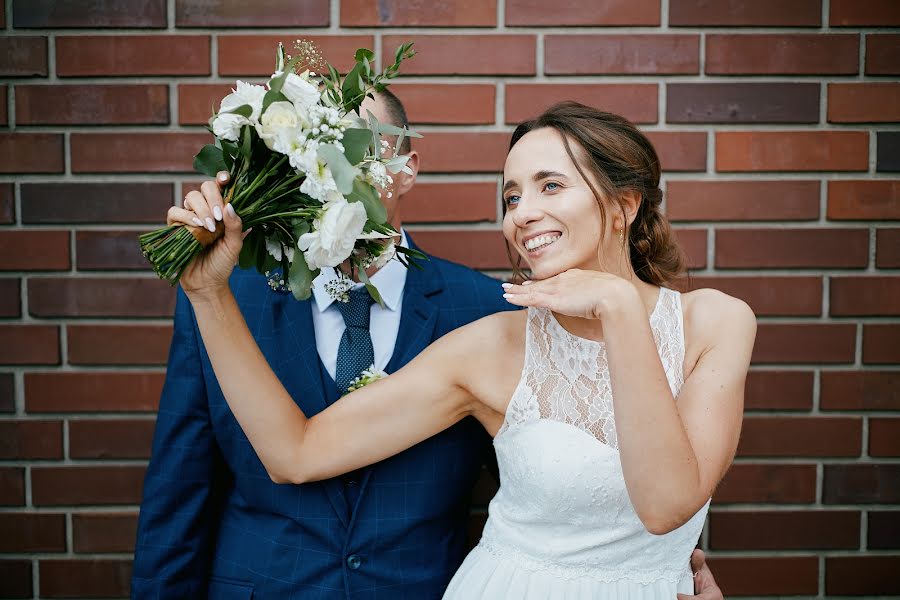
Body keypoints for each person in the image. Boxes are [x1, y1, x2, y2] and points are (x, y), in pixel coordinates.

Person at [138, 97, 729, 599]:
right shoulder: (487, 342)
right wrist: (209, 293)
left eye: (550, 185)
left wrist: (676, 562)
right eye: (511, 197)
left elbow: (661, 507)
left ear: (625, 205)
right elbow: (294, 453)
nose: (524, 214)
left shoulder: (717, 322)